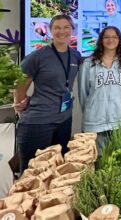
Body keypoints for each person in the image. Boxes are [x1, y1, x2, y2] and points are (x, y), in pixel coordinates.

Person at [13, 15, 81, 173]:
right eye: (57, 27)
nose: (62, 31)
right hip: (38, 122)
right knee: (32, 172)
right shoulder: (37, 56)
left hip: (64, 120)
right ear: (50, 31)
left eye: (66, 27)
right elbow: (20, 83)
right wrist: (20, 103)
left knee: (57, 169)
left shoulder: (75, 56)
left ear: (72, 30)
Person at [78, 26, 121, 152]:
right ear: (101, 40)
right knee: (97, 163)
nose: (110, 40)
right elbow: (83, 94)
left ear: (119, 40)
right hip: (95, 123)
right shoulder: (89, 64)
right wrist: (93, 110)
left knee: (119, 161)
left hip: (120, 121)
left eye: (114, 37)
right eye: (106, 37)